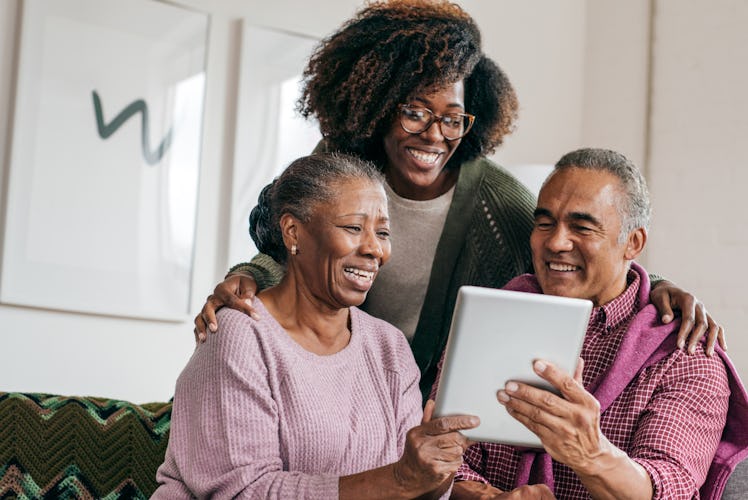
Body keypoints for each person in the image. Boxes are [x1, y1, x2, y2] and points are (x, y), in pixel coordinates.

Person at [194, 0, 724, 401]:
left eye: (452, 117)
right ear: (376, 104)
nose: (434, 135)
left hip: (429, 416)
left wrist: (656, 285)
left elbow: (566, 267)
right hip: (322, 388)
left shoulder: (501, 205)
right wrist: (250, 276)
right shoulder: (341, 170)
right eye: (414, 111)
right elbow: (290, 247)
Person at [152, 153, 479, 499]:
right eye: (354, 228)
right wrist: (400, 479)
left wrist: (434, 470)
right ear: (294, 231)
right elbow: (243, 492)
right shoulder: (240, 335)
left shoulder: (389, 347)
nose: (375, 249)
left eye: (382, 232)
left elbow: (415, 492)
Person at [445, 148, 748, 499]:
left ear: (633, 243)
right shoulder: (486, 320)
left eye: (582, 227)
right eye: (544, 223)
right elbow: (441, 452)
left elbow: (669, 488)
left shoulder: (685, 355)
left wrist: (590, 452)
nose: (556, 243)